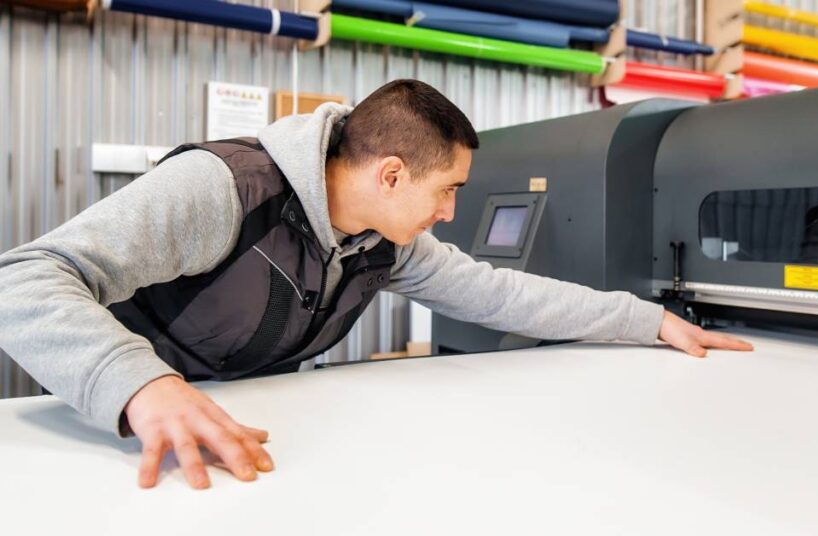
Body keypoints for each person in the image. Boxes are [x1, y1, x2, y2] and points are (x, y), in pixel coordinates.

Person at [0, 79, 752, 490]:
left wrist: (644, 320)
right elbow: (24, 279)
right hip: (130, 445)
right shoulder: (226, 187)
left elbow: (503, 295)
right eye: (448, 189)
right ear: (390, 173)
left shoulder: (384, 243)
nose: (452, 211)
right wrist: (140, 385)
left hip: (244, 445)